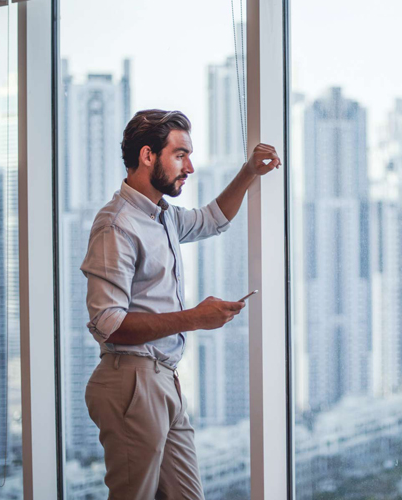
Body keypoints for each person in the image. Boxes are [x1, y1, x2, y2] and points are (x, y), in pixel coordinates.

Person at [81, 109, 280, 499]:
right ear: (148, 156)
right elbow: (109, 322)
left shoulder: (163, 218)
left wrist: (249, 172)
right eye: (180, 154)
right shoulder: (117, 225)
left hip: (163, 379)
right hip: (131, 381)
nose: (189, 166)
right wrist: (194, 318)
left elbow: (213, 219)